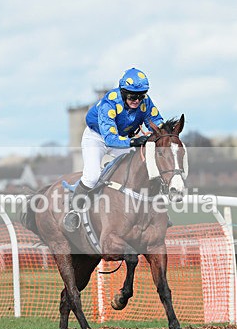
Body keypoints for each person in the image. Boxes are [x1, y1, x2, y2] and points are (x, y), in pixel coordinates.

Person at [63, 67, 165, 232]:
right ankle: (73, 212)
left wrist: (165, 134)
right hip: (97, 138)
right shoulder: (110, 102)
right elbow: (110, 138)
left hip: (123, 137)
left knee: (140, 168)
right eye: (132, 96)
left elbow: (156, 121)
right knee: (91, 176)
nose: (136, 100)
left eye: (140, 96)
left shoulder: (145, 102)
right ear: (123, 92)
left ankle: (153, 210)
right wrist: (134, 141)